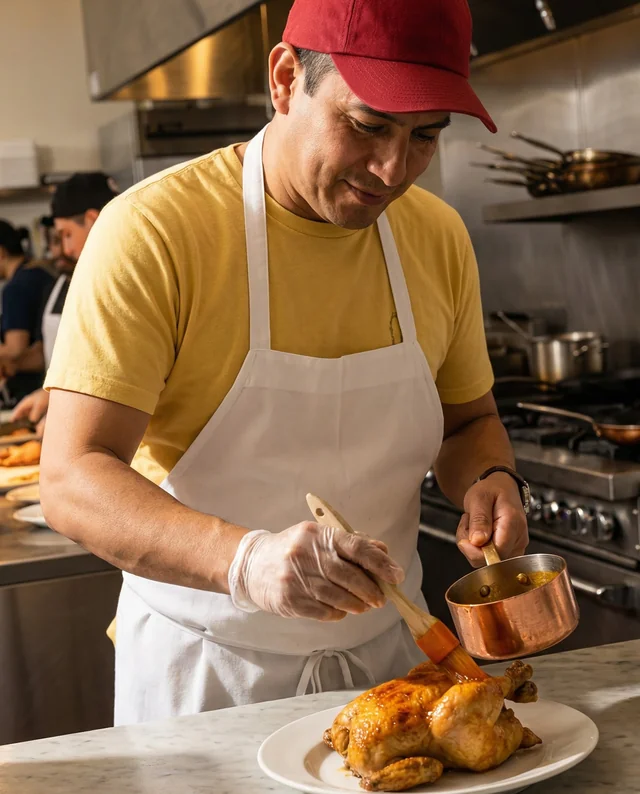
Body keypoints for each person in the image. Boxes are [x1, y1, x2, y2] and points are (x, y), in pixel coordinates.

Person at [41, 0, 531, 726]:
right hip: (209, 676)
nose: (393, 169)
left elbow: (469, 424)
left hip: (396, 671)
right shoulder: (155, 232)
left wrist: (491, 479)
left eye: (425, 136)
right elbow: (72, 477)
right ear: (285, 78)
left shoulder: (438, 236)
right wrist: (246, 562)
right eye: (367, 125)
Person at [10, 173, 118, 429]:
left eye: (67, 234)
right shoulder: (60, 285)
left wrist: (62, 402)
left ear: (92, 220)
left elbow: (112, 366)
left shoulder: (117, 282)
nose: (66, 249)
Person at [0, 219, 55, 404]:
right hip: (50, 383)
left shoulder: (16, 288)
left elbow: (15, 349)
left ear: (1, 253)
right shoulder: (42, 273)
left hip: (33, 390)